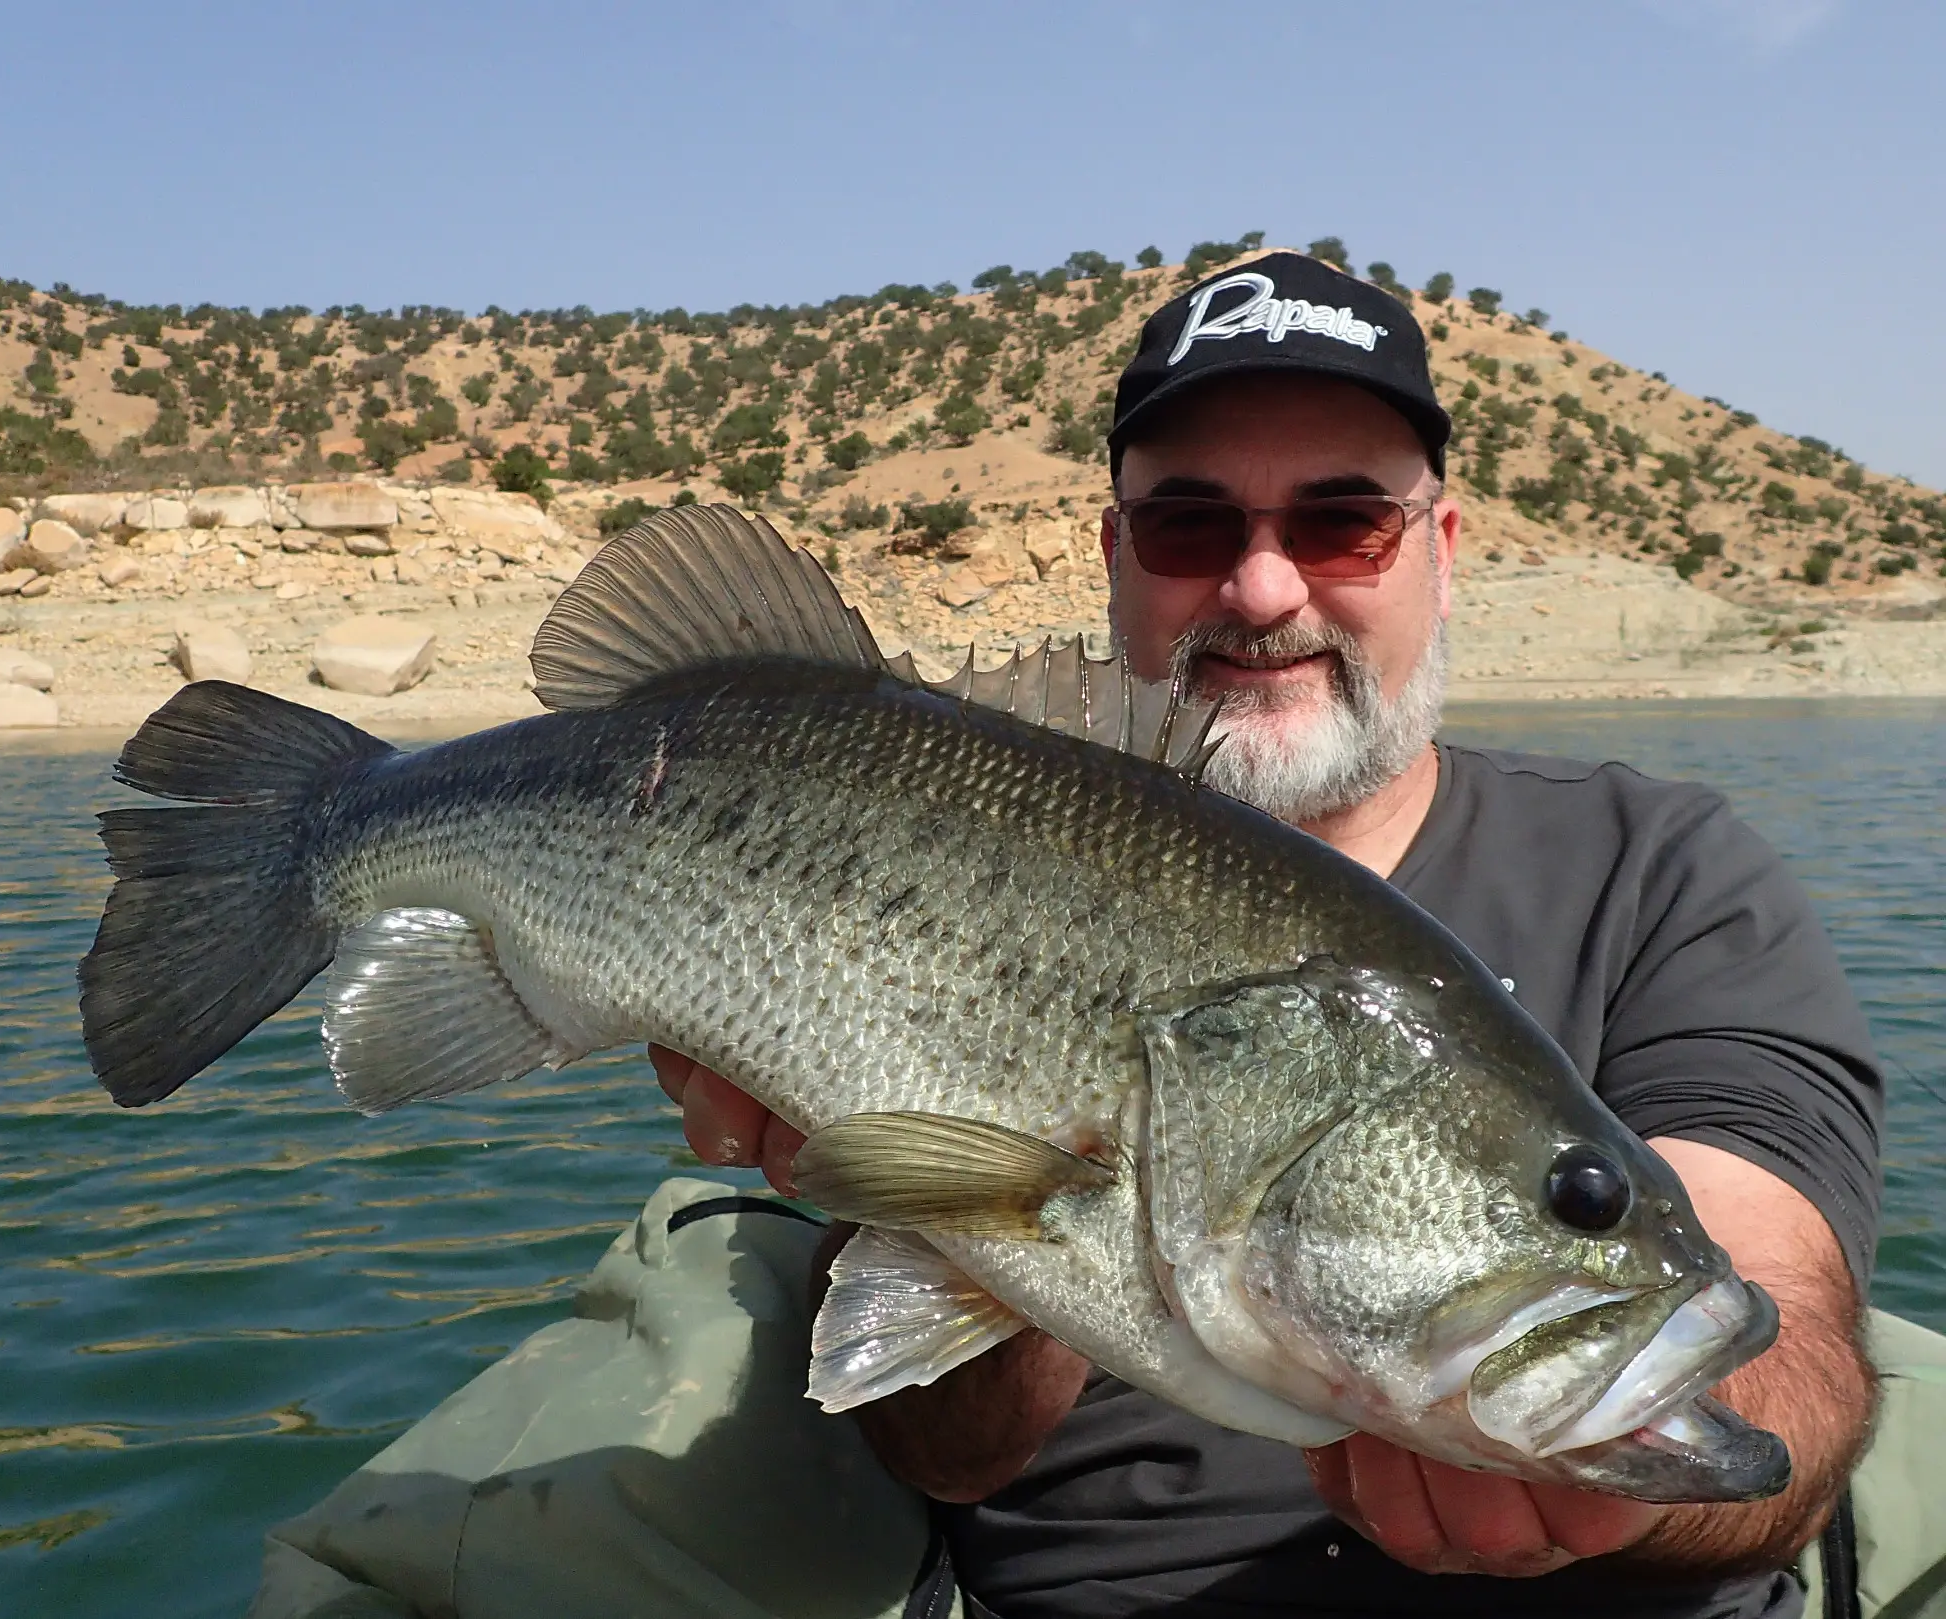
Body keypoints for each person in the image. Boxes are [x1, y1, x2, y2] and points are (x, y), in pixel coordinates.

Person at [651, 252, 1884, 1618]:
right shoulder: (934, 841)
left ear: (1443, 549)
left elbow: (1787, 1351)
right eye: (1188, 526)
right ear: (1116, 558)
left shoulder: (1662, 871)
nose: (1261, 587)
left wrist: (1592, 1480)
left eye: (1343, 523)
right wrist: (1012, 1183)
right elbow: (947, 1453)